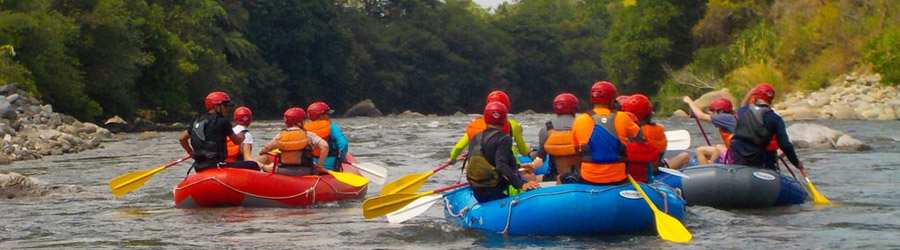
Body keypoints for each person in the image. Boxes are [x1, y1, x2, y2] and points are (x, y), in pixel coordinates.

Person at [465, 101, 540, 203]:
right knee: (529, 178)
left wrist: (519, 167)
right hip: (493, 189)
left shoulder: (475, 137)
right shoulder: (504, 139)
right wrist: (521, 184)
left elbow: (490, 161)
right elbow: (501, 165)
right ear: (505, 120)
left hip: (477, 189)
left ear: (485, 119)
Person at [571, 81, 641, 184]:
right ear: (613, 99)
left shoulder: (580, 120)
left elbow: (576, 151)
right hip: (618, 178)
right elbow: (640, 139)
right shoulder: (623, 117)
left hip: (588, 177)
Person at [449, 90, 540, 169]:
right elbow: (523, 151)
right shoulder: (513, 125)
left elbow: (458, 147)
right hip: (504, 168)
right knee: (532, 176)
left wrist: (453, 159)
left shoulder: (475, 125)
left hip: (477, 171)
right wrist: (530, 151)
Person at [730, 83, 803, 171]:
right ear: (771, 100)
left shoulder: (742, 111)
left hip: (737, 158)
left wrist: (750, 93)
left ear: (756, 97)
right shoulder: (775, 119)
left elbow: (743, 105)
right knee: (770, 155)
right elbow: (785, 145)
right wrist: (797, 163)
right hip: (757, 160)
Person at [179, 92, 257, 172]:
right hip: (218, 166)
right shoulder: (223, 122)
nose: (227, 109)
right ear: (216, 106)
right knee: (253, 165)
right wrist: (242, 135)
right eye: (225, 106)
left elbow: (182, 138)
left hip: (199, 167)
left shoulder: (196, 120)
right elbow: (236, 141)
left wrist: (190, 152)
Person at [257, 107, 330, 176]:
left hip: (283, 171)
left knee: (260, 163)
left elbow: (264, 149)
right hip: (307, 171)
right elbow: (325, 146)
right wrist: (319, 166)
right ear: (300, 122)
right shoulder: (309, 135)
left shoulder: (280, 136)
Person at [532, 93, 580, 182]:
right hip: (580, 177)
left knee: (531, 178)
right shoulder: (583, 125)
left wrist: (530, 153)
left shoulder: (547, 128)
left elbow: (541, 158)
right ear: (575, 108)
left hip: (555, 177)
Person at [619, 94, 666, 182]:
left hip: (630, 179)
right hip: (654, 171)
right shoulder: (659, 128)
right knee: (684, 157)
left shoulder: (621, 141)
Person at [681, 96, 738, 166]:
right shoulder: (732, 117)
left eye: (713, 112)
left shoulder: (724, 117)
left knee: (700, 150)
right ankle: (711, 165)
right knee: (718, 147)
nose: (712, 115)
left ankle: (707, 170)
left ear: (721, 111)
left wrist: (689, 101)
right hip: (735, 153)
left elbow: (700, 116)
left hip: (734, 157)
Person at [304, 101, 349, 171]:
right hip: (329, 166)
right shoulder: (331, 127)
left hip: (311, 165)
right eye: (327, 114)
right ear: (321, 116)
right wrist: (342, 158)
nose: (329, 116)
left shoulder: (304, 128)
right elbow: (344, 144)